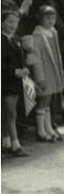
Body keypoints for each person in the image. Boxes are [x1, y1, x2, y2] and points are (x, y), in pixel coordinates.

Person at [27, 5, 64, 143]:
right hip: (44, 72)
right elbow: (36, 60)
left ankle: (48, 128)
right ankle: (40, 131)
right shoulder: (37, 36)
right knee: (43, 100)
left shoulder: (53, 33)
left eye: (53, 18)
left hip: (52, 70)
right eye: (47, 18)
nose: (50, 21)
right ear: (40, 19)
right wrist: (40, 78)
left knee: (48, 100)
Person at [2, 10, 30, 156]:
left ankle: (6, 141)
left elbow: (20, 58)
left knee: (10, 111)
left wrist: (24, 68)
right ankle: (15, 144)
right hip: (5, 81)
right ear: (2, 23)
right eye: (9, 22)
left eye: (15, 22)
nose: (13, 25)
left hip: (15, 81)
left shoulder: (15, 39)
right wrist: (15, 71)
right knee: (10, 112)